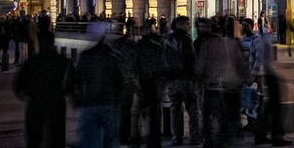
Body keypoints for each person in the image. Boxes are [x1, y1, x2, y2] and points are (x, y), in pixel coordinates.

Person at [195, 17, 248, 148]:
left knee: (208, 114)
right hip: (226, 84)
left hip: (211, 84)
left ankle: (209, 140)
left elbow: (201, 65)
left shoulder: (208, 43)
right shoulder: (229, 43)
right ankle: (225, 138)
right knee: (223, 114)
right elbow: (238, 62)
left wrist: (199, 77)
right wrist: (244, 78)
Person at [71, 26, 126, 148]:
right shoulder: (114, 56)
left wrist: (76, 97)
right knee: (110, 139)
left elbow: (78, 79)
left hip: (90, 102)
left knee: (90, 139)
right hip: (110, 102)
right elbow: (121, 80)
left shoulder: (86, 55)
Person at [14, 31, 69, 148]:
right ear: (53, 43)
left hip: (37, 102)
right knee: (57, 136)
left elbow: (19, 85)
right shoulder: (62, 61)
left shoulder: (32, 62)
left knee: (34, 136)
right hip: (56, 102)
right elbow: (70, 84)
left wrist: (27, 94)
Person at [249, 18, 289, 146]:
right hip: (267, 76)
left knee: (267, 107)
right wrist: (261, 76)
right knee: (272, 107)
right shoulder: (263, 40)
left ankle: (262, 135)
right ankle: (275, 136)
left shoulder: (264, 39)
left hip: (266, 75)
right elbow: (261, 60)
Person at [164, 16, 200, 147]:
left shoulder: (168, 39)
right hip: (186, 78)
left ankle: (177, 137)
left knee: (175, 109)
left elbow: (165, 58)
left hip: (173, 79)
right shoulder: (185, 39)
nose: (189, 26)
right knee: (192, 109)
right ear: (180, 25)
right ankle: (194, 137)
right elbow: (191, 58)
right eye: (187, 24)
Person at [133, 19, 166, 148]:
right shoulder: (158, 47)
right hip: (154, 84)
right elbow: (163, 66)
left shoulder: (136, 47)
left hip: (140, 82)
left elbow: (133, 65)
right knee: (154, 115)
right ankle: (154, 141)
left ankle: (136, 140)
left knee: (136, 114)